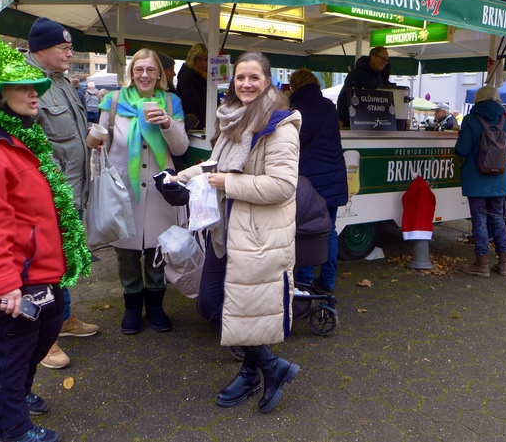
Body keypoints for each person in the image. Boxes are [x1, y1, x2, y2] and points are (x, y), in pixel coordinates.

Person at [0, 7, 91, 442]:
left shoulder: (14, 137)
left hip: (41, 269)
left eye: (36, 87)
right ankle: (10, 431)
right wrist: (5, 284)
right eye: (25, 87)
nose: (35, 95)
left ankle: (19, 395)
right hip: (15, 277)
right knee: (12, 352)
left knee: (42, 333)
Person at [174, 51, 301, 413]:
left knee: (235, 307)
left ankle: (253, 373)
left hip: (258, 235)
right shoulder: (232, 118)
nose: (246, 84)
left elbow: (282, 186)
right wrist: (179, 179)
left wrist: (227, 183)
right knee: (212, 303)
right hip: (226, 231)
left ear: (268, 82)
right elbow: (215, 165)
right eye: (240, 77)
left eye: (254, 78)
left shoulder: (279, 125)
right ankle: (269, 367)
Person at [97, 49, 189, 335]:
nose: (145, 75)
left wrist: (168, 124)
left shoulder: (171, 102)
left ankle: (156, 306)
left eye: (151, 69)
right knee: (126, 252)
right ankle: (132, 308)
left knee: (157, 249)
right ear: (131, 72)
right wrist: (94, 142)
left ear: (159, 73)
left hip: (160, 189)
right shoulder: (114, 101)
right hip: (123, 189)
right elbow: (102, 142)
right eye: (139, 69)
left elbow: (180, 148)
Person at [25, 17, 98, 369]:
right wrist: (50, 187)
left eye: (71, 48)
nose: (70, 54)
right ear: (41, 49)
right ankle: (44, 336)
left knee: (64, 261)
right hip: (48, 196)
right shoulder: (27, 84)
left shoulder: (62, 82)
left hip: (73, 190)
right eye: (64, 48)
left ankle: (63, 319)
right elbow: (29, 146)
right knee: (44, 265)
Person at [288, 69, 347, 293]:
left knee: (306, 228)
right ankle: (329, 280)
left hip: (310, 179)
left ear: (295, 85)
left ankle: (304, 279)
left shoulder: (295, 110)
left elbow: (294, 141)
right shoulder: (328, 106)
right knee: (329, 229)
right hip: (333, 177)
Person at [455, 85, 506, 278]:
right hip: (498, 179)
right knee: (498, 218)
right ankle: (504, 263)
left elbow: (462, 149)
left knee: (479, 220)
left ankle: (481, 263)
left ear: (477, 99)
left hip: (476, 178)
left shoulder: (470, 120)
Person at [336, 46, 391, 127]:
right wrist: (343, 119)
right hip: (353, 124)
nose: (385, 62)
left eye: (387, 61)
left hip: (371, 125)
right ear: (373, 57)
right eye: (383, 59)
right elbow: (344, 97)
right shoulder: (356, 74)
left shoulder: (379, 78)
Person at [176, 43, 208, 130]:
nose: (203, 63)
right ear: (193, 59)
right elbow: (192, 102)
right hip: (196, 124)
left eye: (206, 60)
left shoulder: (207, 75)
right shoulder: (187, 76)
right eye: (200, 59)